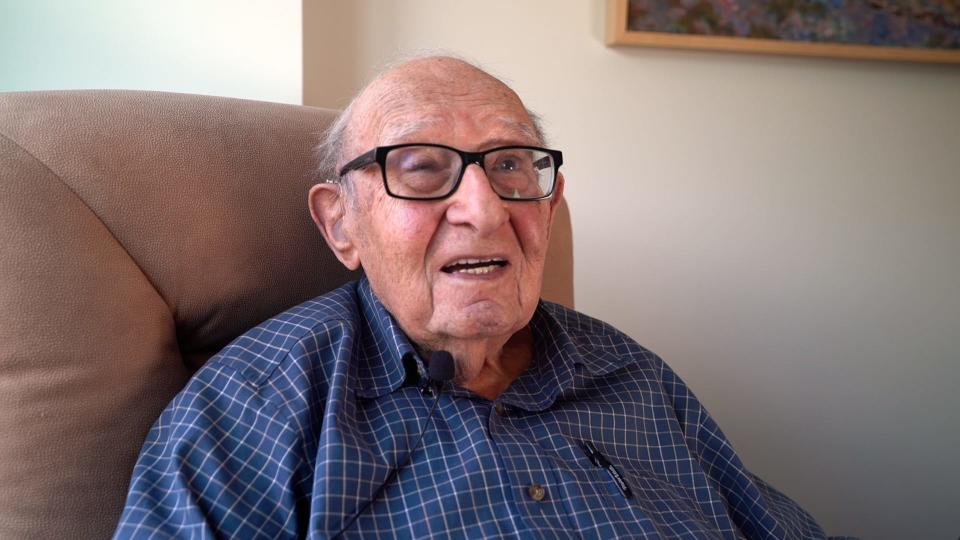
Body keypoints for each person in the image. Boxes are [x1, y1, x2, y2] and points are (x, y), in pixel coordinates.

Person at [115, 56, 830, 539]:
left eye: (511, 165)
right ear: (342, 224)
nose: (484, 210)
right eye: (422, 170)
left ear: (549, 210)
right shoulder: (255, 405)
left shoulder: (635, 378)